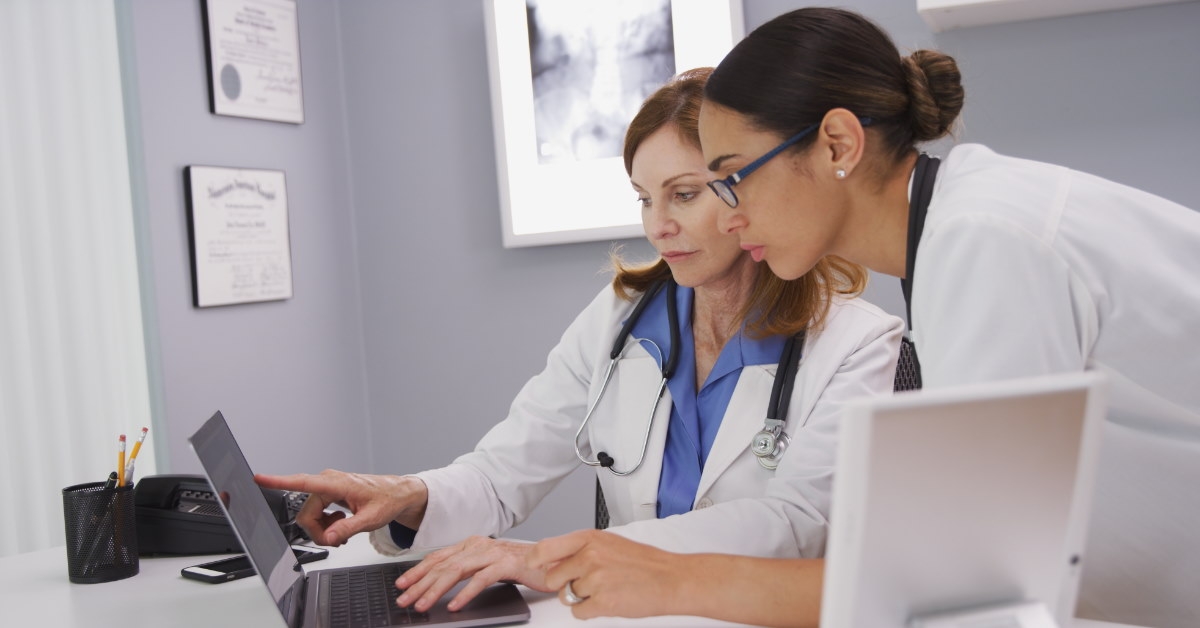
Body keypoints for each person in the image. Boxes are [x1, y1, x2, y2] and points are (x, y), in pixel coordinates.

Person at [534, 6, 1200, 628]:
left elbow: (968, 575)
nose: (730, 217)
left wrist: (671, 579)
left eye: (733, 178)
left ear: (836, 145)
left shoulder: (985, 239)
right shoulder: (953, 238)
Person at [257, 67, 904, 615]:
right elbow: (504, 473)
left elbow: (793, 528)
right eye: (645, 199)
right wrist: (407, 493)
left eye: (683, 194)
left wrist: (550, 557)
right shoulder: (624, 316)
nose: (659, 225)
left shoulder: (855, 342)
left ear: (746, 186)